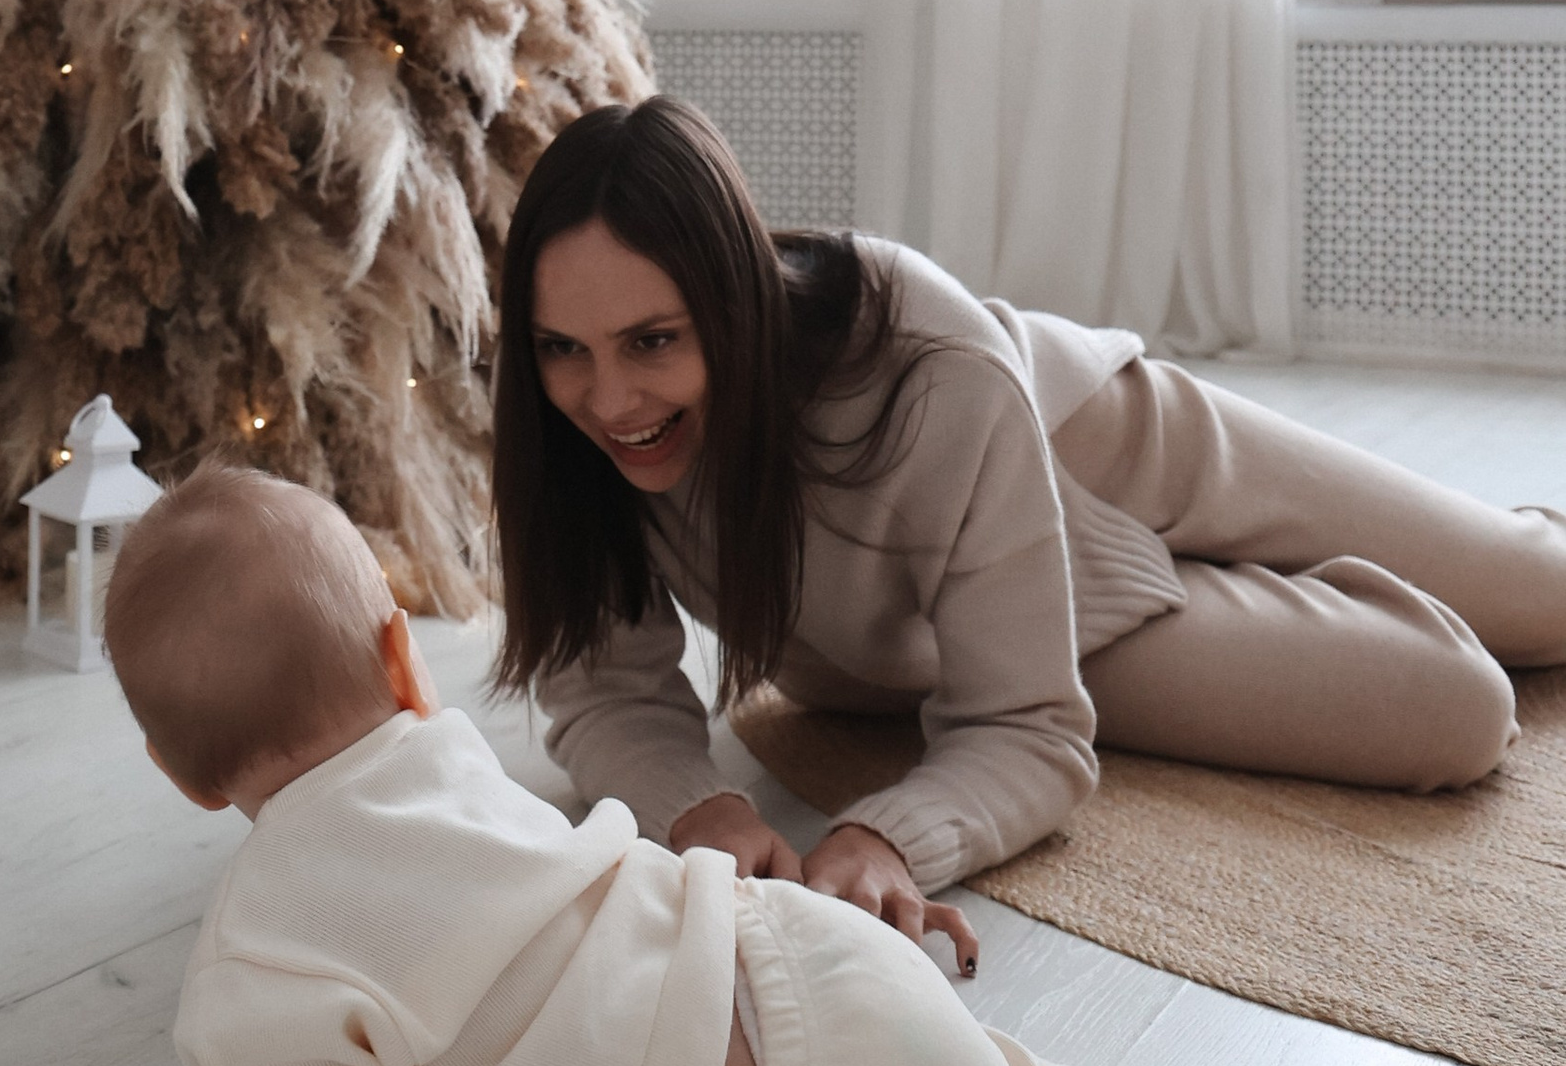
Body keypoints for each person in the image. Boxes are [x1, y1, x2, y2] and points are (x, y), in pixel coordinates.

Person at [110, 463, 1354, 1066]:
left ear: (183, 775)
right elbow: (444, 1010)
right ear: (398, 659)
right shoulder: (440, 765)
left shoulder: (259, 961)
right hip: (787, 950)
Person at [493, 100, 1566, 962]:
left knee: (1539, 590)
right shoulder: (562, 415)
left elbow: (1029, 738)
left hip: (1095, 446)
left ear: (730, 302)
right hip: (923, 637)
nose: (608, 396)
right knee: (1458, 712)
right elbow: (602, 685)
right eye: (563, 349)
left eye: (652, 340)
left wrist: (886, 835)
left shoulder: (924, 361)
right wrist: (698, 812)